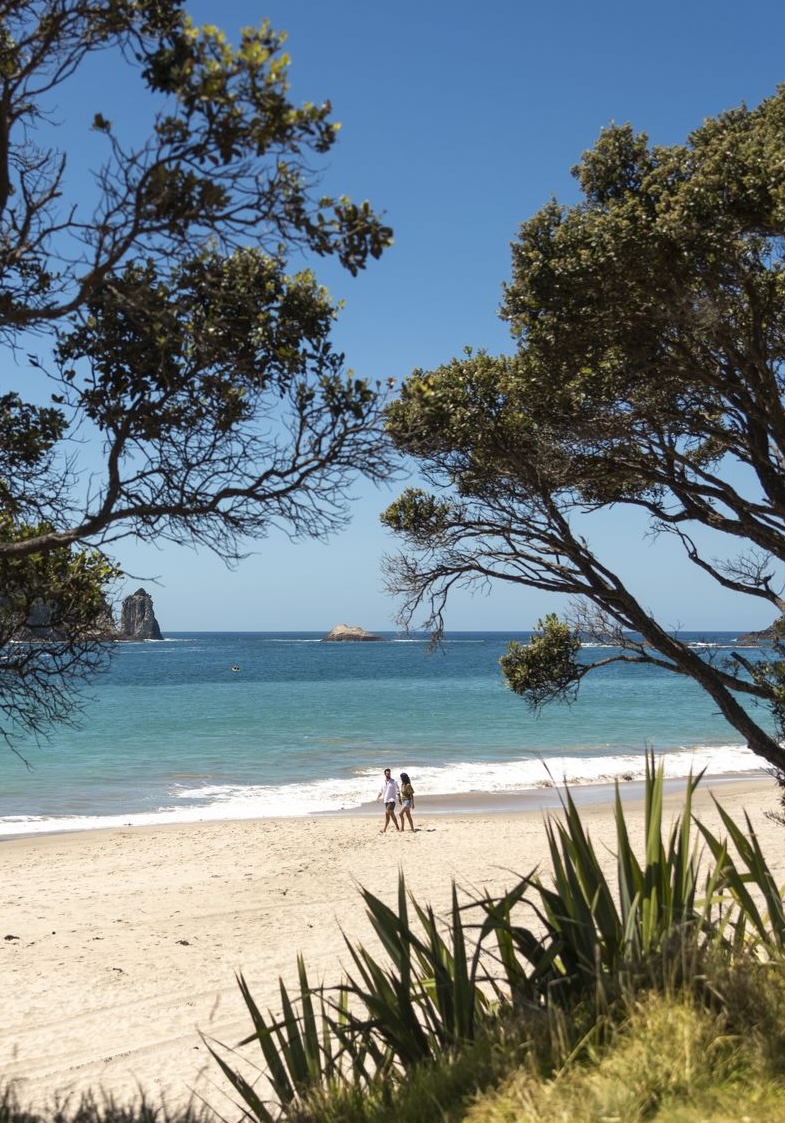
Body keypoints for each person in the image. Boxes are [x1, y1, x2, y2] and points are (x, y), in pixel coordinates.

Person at [376, 767, 400, 832]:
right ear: (385, 774)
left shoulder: (394, 782)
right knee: (392, 814)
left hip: (392, 800)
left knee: (387, 813)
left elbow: (398, 790)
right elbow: (381, 791)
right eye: (387, 773)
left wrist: (399, 798)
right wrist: (378, 797)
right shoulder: (383, 782)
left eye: (389, 773)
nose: (389, 774)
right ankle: (397, 827)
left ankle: (384, 829)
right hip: (386, 800)